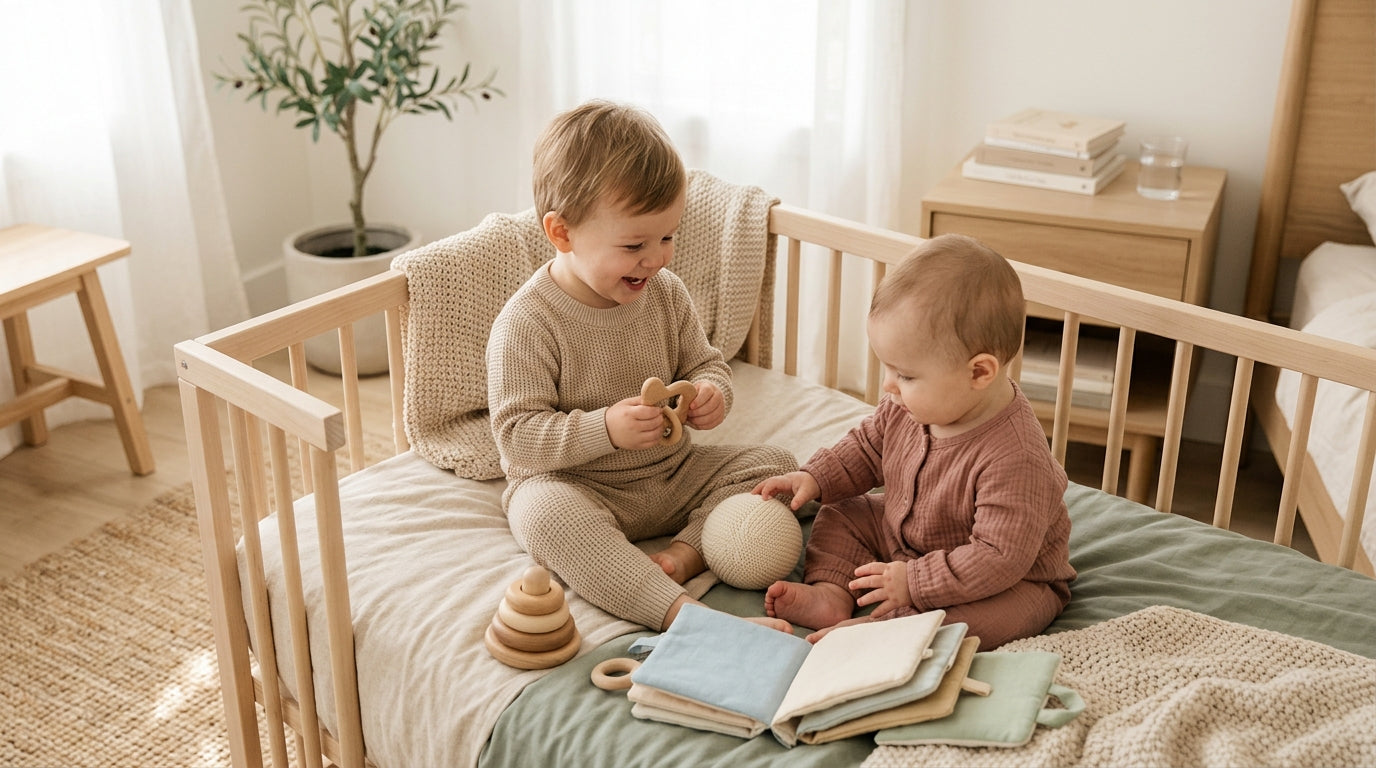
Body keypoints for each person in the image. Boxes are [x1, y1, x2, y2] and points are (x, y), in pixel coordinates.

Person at [487, 99, 797, 632]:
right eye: (634, 244)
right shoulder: (527, 322)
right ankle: (685, 616)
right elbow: (517, 438)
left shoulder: (665, 293)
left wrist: (710, 392)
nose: (655, 259)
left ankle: (683, 554)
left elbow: (706, 363)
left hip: (672, 475)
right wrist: (604, 428)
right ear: (562, 234)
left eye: (667, 237)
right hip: (579, 484)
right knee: (540, 513)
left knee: (777, 466)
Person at [753, 234, 1076, 650]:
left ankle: (888, 630)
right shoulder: (909, 406)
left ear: (979, 373)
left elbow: (998, 558)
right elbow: (867, 448)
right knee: (843, 513)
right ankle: (832, 594)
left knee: (974, 622)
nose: (888, 385)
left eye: (905, 375)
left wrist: (914, 583)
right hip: (909, 537)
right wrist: (813, 478)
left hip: (1009, 579)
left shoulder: (1016, 456)